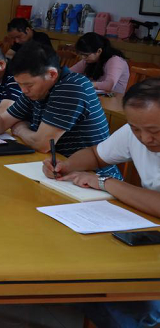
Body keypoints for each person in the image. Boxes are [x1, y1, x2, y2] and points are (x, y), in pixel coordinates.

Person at [42, 78, 160, 327]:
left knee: (122, 298)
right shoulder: (135, 131)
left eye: (155, 131)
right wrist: (66, 165)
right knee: (76, 268)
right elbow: (96, 155)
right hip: (147, 232)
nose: (145, 138)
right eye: (136, 129)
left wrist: (106, 182)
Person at [0, 41, 120, 178]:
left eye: (28, 85)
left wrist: (20, 129)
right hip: (57, 169)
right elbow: (3, 120)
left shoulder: (72, 88)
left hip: (94, 178)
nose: (23, 90)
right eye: (19, 84)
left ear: (52, 74)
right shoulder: (36, 90)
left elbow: (42, 144)